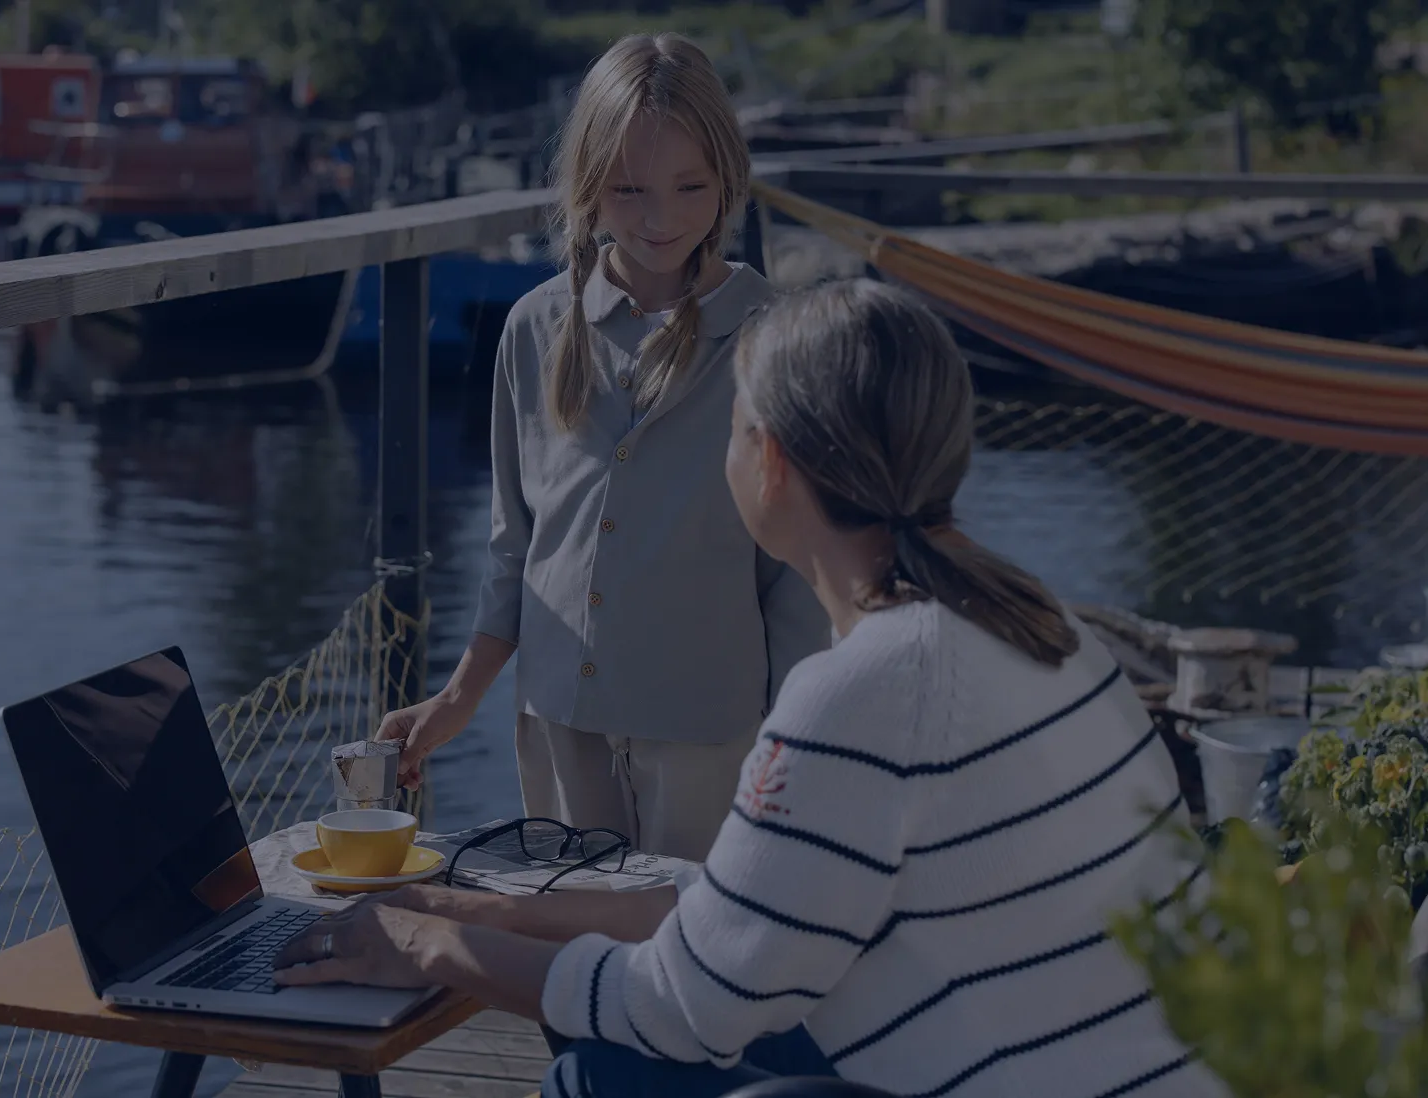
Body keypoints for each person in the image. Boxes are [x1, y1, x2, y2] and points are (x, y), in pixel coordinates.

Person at [275, 279, 1225, 1098]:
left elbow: (676, 1009)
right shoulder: (1038, 625)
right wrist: (484, 912)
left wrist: (423, 949)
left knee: (596, 1070)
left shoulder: (859, 695)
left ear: (768, 463)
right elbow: (760, 904)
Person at [374, 33, 828, 861]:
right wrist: (457, 696)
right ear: (587, 185)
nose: (661, 218)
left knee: (691, 960)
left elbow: (797, 579)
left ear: (728, 178)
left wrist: (795, 743)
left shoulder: (779, 343)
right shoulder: (531, 329)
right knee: (570, 957)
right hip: (556, 725)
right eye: (627, 189)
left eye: (690, 186)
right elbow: (515, 548)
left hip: (709, 734)